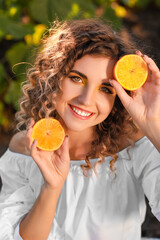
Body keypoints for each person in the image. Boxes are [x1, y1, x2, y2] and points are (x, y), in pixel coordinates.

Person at [0, 18, 160, 240]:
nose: (86, 100)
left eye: (105, 88)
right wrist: (51, 187)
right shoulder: (25, 148)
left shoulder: (133, 144)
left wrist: (154, 128)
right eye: (77, 78)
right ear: (53, 77)